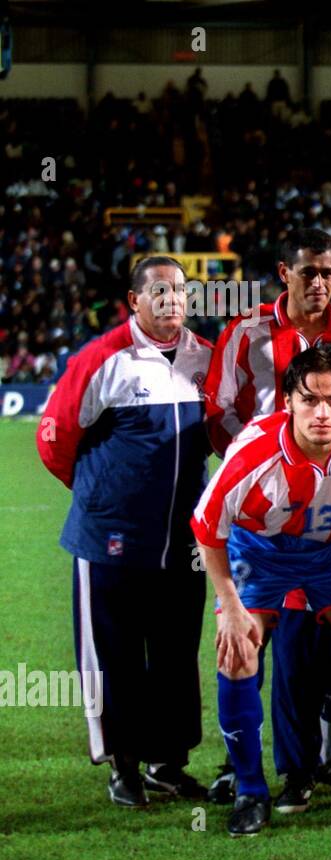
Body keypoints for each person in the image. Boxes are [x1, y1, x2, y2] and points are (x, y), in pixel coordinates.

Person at [204, 227, 331, 809]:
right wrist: (270, 467)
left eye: (329, 272)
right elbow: (219, 411)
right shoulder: (246, 333)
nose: (320, 282)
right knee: (262, 652)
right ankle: (264, 776)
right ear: (285, 273)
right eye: (309, 271)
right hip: (267, 521)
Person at [36, 256, 212, 807]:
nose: (172, 299)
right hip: (110, 542)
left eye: (181, 289)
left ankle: (168, 762)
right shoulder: (100, 358)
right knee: (114, 657)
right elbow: (53, 438)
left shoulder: (204, 358)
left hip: (183, 546)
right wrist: (100, 500)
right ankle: (124, 767)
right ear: (133, 301)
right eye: (159, 289)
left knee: (176, 654)